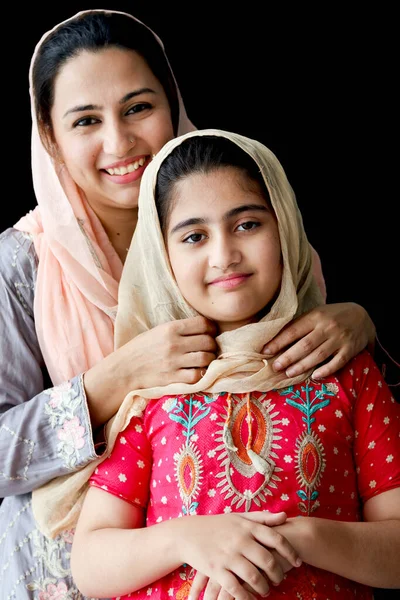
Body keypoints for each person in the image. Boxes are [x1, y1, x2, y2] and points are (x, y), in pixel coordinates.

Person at [0, 8, 380, 600]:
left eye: (138, 108)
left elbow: (308, 370)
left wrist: (357, 323)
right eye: (85, 121)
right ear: (49, 135)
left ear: (172, 105)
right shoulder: (22, 268)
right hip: (65, 573)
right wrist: (111, 383)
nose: (119, 141)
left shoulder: (254, 219)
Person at [69, 129, 400, 600]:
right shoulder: (159, 387)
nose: (223, 255)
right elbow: (90, 563)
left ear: (284, 225)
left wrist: (292, 540)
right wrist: (187, 537)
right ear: (162, 257)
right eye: (194, 236)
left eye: (247, 224)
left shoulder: (343, 370)